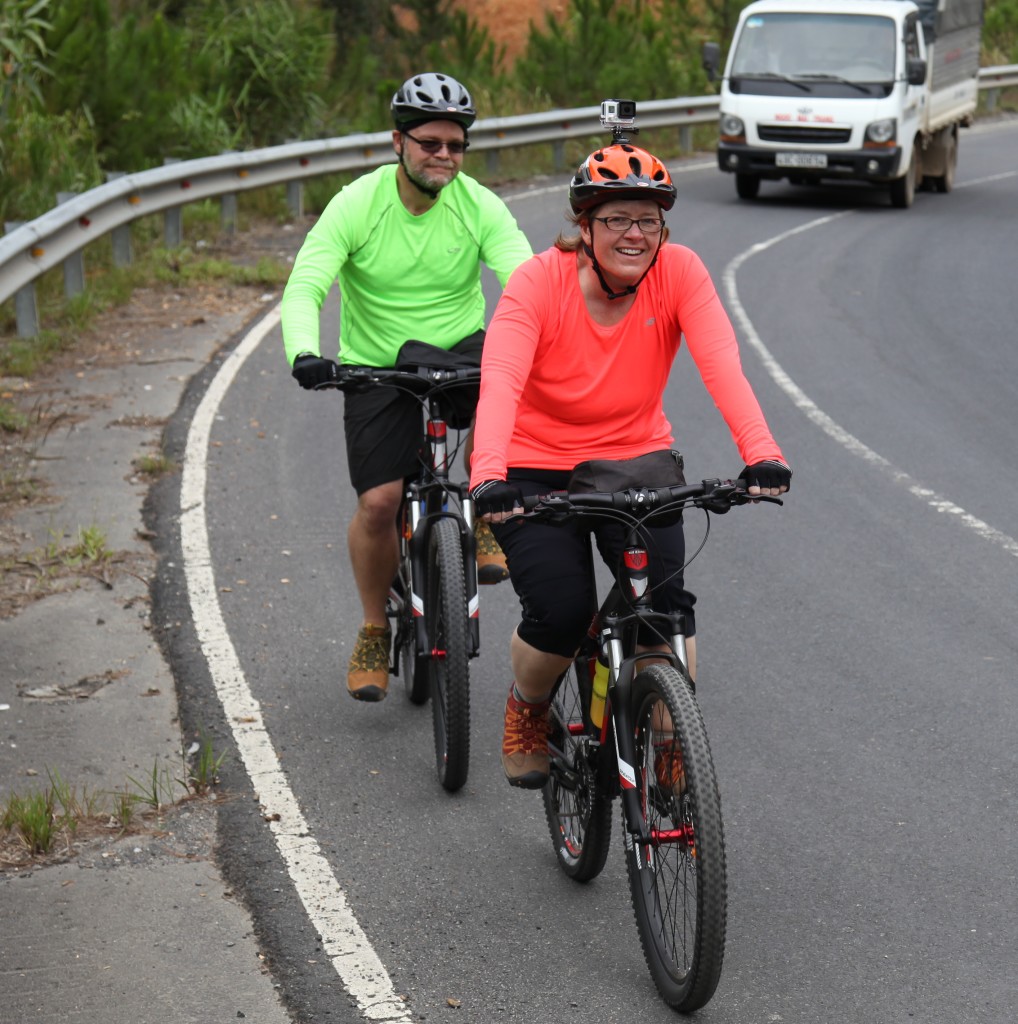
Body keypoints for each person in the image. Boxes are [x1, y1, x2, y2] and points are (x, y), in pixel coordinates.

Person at [468, 141, 791, 789]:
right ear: (584, 227)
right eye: (617, 218)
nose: (635, 234)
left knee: (665, 610)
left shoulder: (680, 273)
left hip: (636, 464)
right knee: (560, 611)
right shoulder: (538, 282)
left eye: (648, 220)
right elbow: (500, 379)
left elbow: (721, 365)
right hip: (534, 470)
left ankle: (673, 740)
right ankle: (529, 710)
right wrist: (488, 475)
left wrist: (761, 454)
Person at [281, 71, 533, 703]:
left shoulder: (477, 204)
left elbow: (525, 279)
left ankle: (480, 512)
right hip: (379, 366)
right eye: (430, 143)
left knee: (512, 405)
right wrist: (305, 351)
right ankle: (373, 626)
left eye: (455, 145)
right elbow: (308, 280)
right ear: (398, 141)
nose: (444, 157)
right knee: (379, 503)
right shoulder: (358, 204)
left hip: (462, 352)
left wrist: (551, 339)